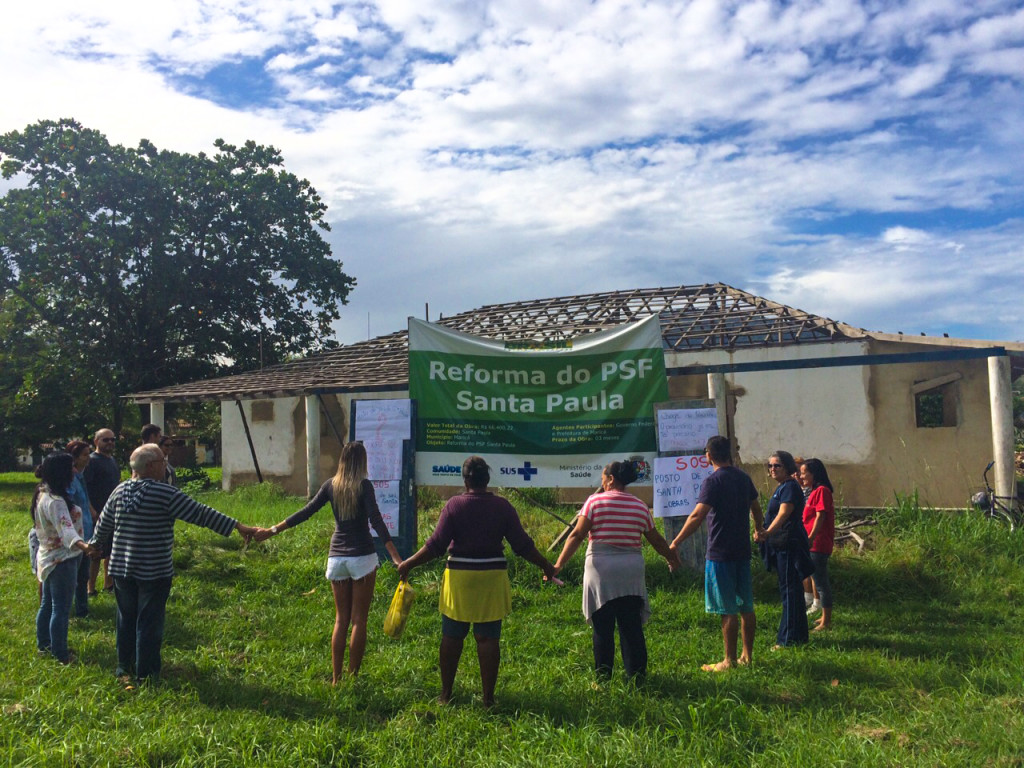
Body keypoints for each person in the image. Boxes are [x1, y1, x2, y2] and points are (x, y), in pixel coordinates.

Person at [89, 444, 257, 683]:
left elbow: (104, 525)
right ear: (150, 466)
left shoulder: (119, 490)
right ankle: (146, 675)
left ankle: (123, 667)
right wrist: (239, 527)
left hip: (121, 569)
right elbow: (200, 513)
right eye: (162, 461)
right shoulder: (164, 493)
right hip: (153, 570)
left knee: (126, 619)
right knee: (149, 623)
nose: (166, 465)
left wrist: (94, 544)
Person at [398, 456, 556, 707]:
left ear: (465, 480)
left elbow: (436, 546)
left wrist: (408, 564)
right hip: (491, 579)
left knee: (452, 637)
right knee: (488, 639)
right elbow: (522, 545)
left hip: (460, 579)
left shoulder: (453, 505)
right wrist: (547, 566)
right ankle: (488, 699)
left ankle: (445, 695)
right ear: (487, 479)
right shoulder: (503, 507)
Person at [253, 442, 402, 682]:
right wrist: (395, 557)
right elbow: (376, 521)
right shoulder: (364, 486)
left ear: (342, 460)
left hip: (336, 559)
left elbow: (306, 511)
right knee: (359, 620)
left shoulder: (330, 485)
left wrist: (272, 530)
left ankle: (336, 679)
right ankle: (353, 678)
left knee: (340, 620)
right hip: (362, 558)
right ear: (361, 462)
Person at [553, 460, 679, 682]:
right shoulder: (640, 506)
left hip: (600, 570)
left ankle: (602, 679)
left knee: (603, 628)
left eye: (603, 476)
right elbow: (656, 540)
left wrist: (558, 564)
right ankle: (637, 677)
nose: (601, 480)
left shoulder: (594, 502)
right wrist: (671, 558)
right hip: (630, 570)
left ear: (611, 479)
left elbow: (577, 535)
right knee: (631, 627)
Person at [670, 436, 764, 671]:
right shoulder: (743, 478)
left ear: (709, 454)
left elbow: (697, 515)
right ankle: (747, 656)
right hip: (742, 550)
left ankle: (729, 660)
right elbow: (756, 507)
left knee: (726, 608)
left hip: (720, 552)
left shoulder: (713, 481)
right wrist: (758, 528)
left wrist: (676, 542)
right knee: (746, 606)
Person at [33, 453, 94, 663]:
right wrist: (87, 548)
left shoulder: (42, 493)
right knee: (61, 609)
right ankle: (60, 653)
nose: (74, 471)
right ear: (62, 472)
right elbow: (67, 532)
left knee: (48, 605)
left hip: (47, 557)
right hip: (63, 559)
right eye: (71, 468)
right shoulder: (57, 502)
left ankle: (44, 645)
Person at [755, 450, 813, 648]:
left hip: (789, 545)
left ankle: (787, 640)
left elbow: (784, 513)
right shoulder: (783, 487)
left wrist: (767, 533)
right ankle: (800, 636)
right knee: (793, 591)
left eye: (776, 465)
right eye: (769, 466)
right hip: (782, 544)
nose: (772, 469)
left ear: (787, 467)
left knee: (790, 591)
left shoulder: (789, 487)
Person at [800, 458, 835, 631]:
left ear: (814, 473)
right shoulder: (814, 491)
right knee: (817, 578)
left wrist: (812, 537)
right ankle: (822, 616)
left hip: (818, 543)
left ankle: (826, 622)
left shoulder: (822, 491)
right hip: (813, 542)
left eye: (804, 472)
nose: (801, 476)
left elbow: (820, 516)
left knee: (821, 582)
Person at [84, 428, 120, 593]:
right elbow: (84, 488)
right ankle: (90, 588)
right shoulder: (91, 461)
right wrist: (91, 509)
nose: (110, 443)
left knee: (112, 550)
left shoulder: (112, 460)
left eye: (112, 439)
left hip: (113, 511)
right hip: (97, 512)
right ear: (96, 441)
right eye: (106, 440)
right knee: (95, 552)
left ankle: (108, 584)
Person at [66, 440, 98, 617]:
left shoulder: (80, 476)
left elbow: (83, 500)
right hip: (76, 533)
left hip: (86, 529)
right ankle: (75, 609)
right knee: (76, 574)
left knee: (83, 574)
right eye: (85, 455)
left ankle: (82, 608)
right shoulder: (70, 479)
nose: (89, 458)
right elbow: (68, 503)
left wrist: (92, 511)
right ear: (75, 458)